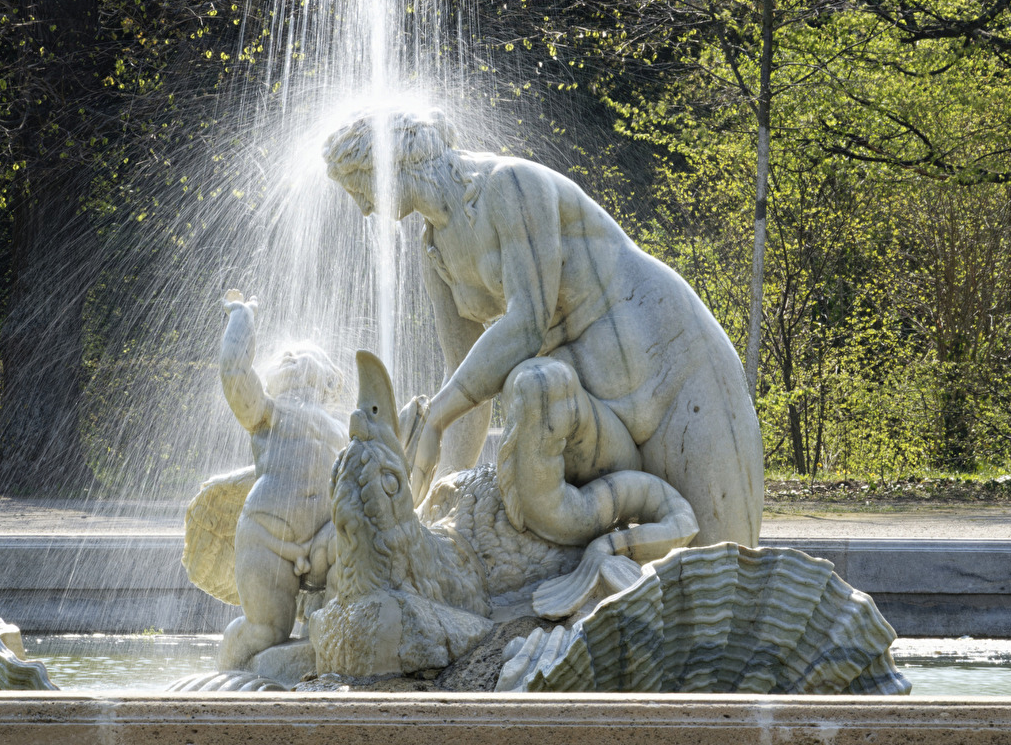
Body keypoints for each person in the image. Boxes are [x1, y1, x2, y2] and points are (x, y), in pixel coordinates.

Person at [322, 110, 763, 558]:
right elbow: (467, 381)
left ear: (387, 164)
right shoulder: (434, 249)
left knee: (726, 570)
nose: (363, 206)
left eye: (359, 186)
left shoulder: (509, 185)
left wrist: (435, 417)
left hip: (671, 361)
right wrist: (434, 495)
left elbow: (527, 324)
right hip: (587, 401)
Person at [216, 292, 349, 670]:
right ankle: (223, 677)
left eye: (302, 354)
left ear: (330, 381)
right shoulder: (269, 413)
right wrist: (242, 319)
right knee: (266, 632)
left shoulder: (344, 431)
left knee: (355, 537)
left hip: (323, 540)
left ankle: (332, 629)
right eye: (282, 357)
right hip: (267, 540)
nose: (288, 356)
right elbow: (235, 375)